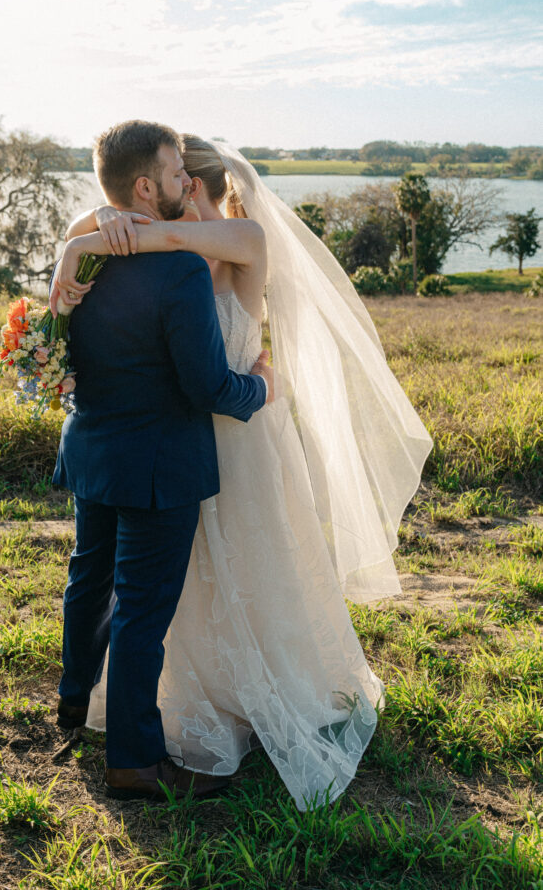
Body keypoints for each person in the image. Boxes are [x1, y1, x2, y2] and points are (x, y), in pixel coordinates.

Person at [53, 136, 433, 810]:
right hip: (182, 436)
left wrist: (102, 232)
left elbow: (159, 244)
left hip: (240, 441)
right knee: (164, 590)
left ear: (191, 187)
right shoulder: (156, 243)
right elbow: (119, 241)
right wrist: (78, 241)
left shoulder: (239, 240)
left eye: (178, 174)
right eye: (161, 174)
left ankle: (259, 686)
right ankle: (172, 702)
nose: (170, 184)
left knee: (244, 567)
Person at [51, 121, 273, 802]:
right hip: (159, 463)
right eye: (177, 174)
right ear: (148, 185)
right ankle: (135, 763)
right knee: (143, 614)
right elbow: (206, 386)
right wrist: (259, 387)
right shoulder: (178, 267)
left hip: (94, 449)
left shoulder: (84, 257)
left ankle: (72, 707)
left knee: (88, 583)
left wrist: (76, 245)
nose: (187, 183)